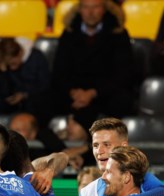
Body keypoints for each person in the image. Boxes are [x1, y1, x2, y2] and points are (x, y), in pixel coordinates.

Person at [51, 0, 136, 131]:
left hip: (105, 94)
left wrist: (93, 93)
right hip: (73, 94)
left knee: (122, 100)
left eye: (95, 7)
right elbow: (59, 71)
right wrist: (74, 92)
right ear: (80, 9)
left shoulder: (118, 34)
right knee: (45, 99)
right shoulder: (69, 33)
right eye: (86, 7)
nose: (90, 13)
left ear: (104, 9)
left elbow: (124, 73)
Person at [0, 38, 51, 119]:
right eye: (8, 65)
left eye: (13, 63)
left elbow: (45, 85)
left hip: (34, 101)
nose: (11, 68)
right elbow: (4, 91)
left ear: (20, 53)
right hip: (13, 104)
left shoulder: (37, 58)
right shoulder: (6, 64)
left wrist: (24, 95)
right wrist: (4, 73)